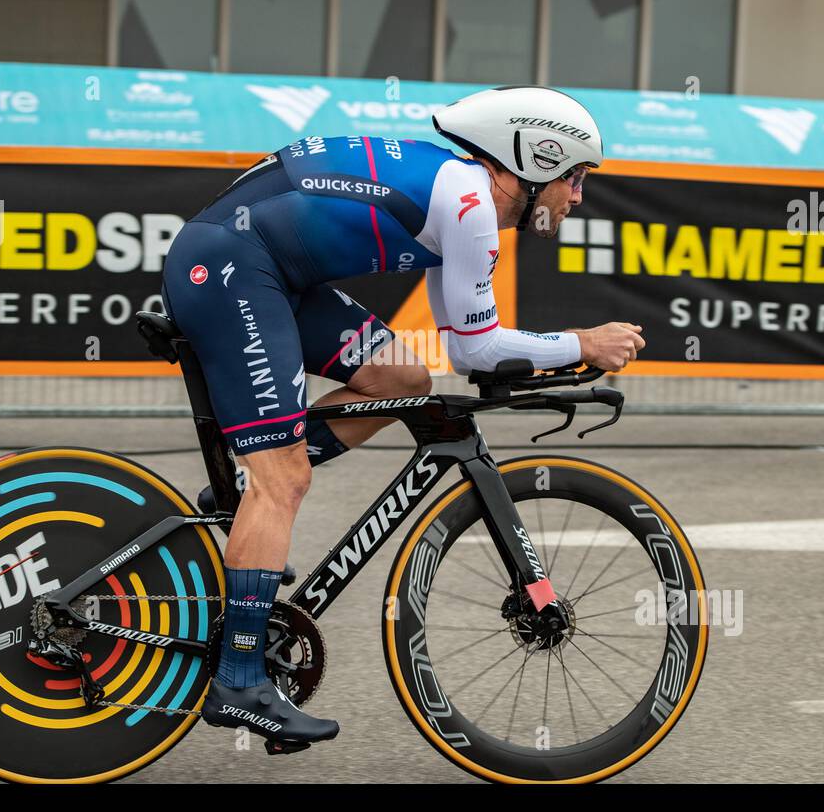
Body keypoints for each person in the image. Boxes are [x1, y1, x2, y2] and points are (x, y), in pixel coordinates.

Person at [161, 86, 646, 748]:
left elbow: (462, 348)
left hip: (263, 266)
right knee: (286, 479)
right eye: (576, 176)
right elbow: (478, 348)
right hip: (232, 268)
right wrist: (581, 344)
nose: (579, 195)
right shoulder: (473, 203)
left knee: (401, 379)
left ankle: (241, 497)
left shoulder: (466, 198)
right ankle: (239, 680)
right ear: (536, 160)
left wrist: (559, 355)